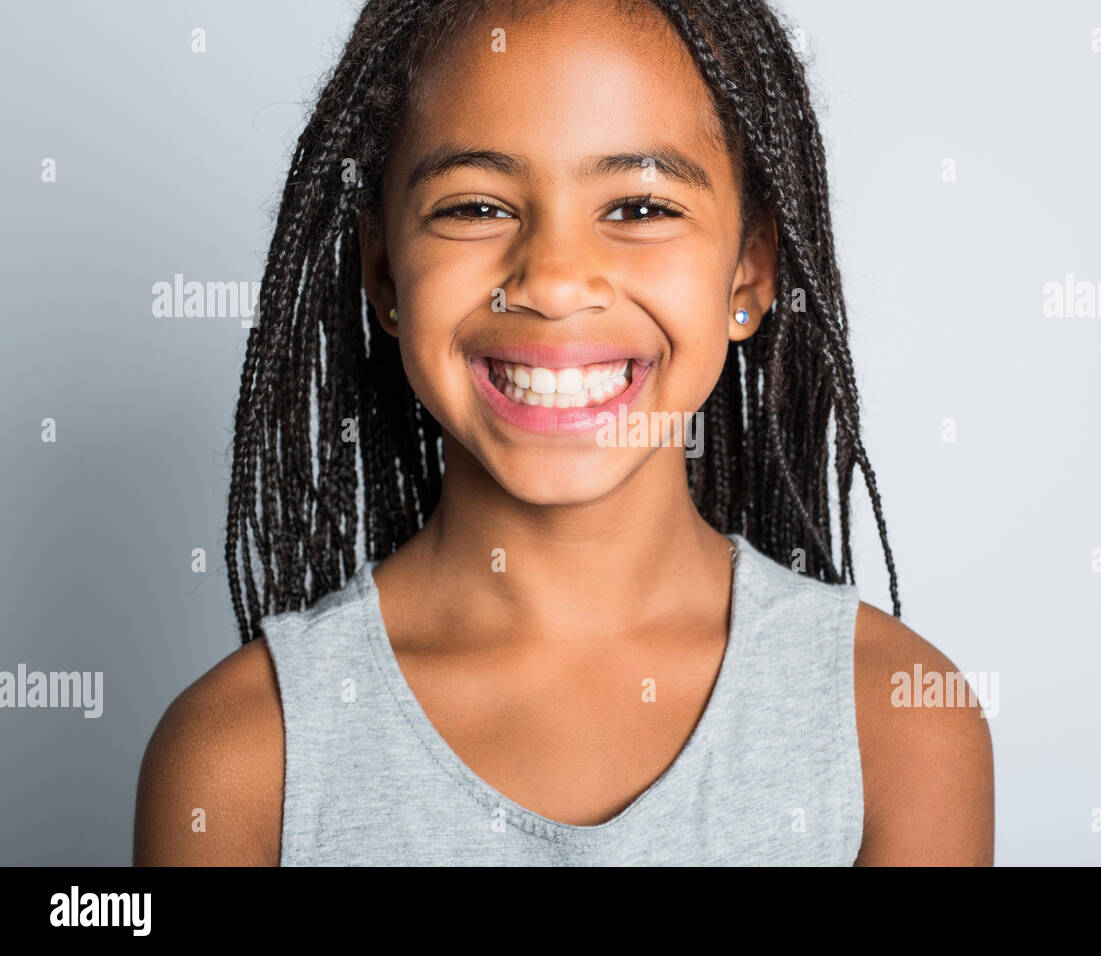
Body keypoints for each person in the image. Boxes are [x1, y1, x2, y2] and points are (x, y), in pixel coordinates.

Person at [134, 0, 993, 866]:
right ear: (385, 269)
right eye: (474, 206)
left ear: (751, 269)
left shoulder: (895, 723)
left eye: (640, 209)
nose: (550, 280)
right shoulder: (242, 758)